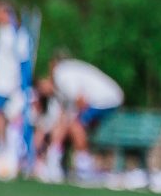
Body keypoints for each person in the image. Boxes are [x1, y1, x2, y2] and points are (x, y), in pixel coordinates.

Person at [33, 54, 125, 183]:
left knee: (76, 124)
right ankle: (56, 160)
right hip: (105, 99)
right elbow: (60, 119)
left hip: (105, 99)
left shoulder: (61, 74)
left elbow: (81, 100)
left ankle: (83, 165)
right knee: (71, 123)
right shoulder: (61, 87)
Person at [0, 0, 28, 180]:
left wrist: (23, 85)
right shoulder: (1, 31)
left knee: (13, 119)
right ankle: (1, 150)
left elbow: (24, 61)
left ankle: (13, 154)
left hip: (13, 84)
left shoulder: (19, 33)